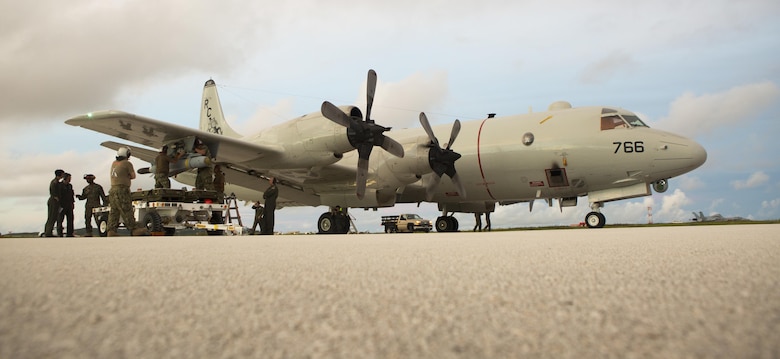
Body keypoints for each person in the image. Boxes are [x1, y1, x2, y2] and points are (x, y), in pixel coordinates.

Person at [107, 147, 149, 236]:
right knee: (127, 210)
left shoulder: (114, 163)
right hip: (122, 189)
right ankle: (134, 229)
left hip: (112, 189)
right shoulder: (127, 163)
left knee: (114, 211)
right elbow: (133, 176)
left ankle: (111, 231)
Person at [44, 169, 65, 237]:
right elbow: (54, 193)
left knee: (54, 217)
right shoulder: (54, 182)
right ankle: (48, 232)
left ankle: (49, 231)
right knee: (51, 217)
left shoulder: (57, 182)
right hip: (53, 201)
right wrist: (57, 199)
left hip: (55, 201)